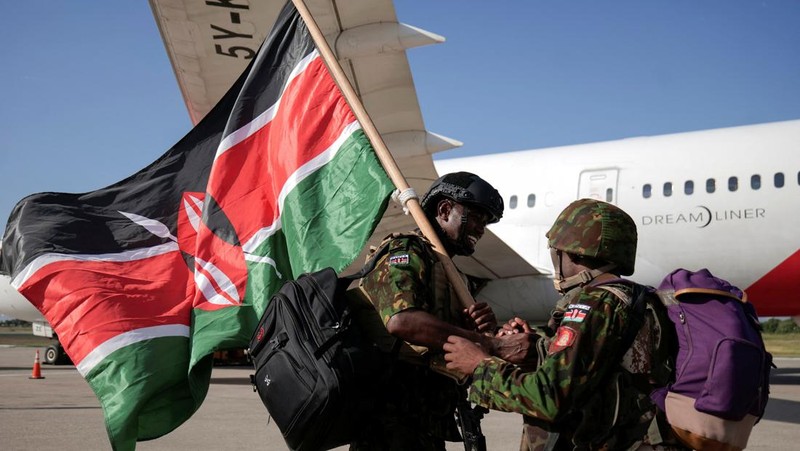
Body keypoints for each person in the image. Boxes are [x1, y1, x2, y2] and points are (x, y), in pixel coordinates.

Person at [443, 198, 686, 450]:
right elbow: (604, 368)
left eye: (556, 250)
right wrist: (541, 348)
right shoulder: (638, 298)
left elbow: (549, 399)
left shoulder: (594, 303)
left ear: (574, 252)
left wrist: (478, 364)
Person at [350, 172, 533, 451]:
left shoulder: (451, 273)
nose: (481, 229)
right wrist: (486, 342)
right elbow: (403, 321)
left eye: (485, 222)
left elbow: (445, 339)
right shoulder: (406, 250)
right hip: (390, 422)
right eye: (475, 217)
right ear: (445, 210)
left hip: (429, 420)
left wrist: (479, 328)